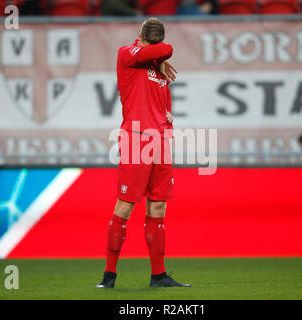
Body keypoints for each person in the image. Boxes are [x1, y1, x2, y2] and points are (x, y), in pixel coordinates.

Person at [96, 18, 191, 289]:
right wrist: (159, 57)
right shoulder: (127, 55)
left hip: (160, 140)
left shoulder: (156, 68)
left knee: (158, 206)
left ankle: (158, 276)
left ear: (140, 33)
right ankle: (109, 276)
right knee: (125, 205)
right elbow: (168, 49)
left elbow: (161, 94)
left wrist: (167, 114)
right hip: (137, 139)